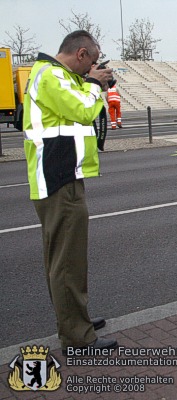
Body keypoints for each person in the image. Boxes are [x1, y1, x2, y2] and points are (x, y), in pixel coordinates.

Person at [23, 30, 118, 354]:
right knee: (67, 263)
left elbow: (77, 103)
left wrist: (93, 80)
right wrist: (94, 84)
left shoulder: (57, 75)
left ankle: (77, 321)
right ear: (80, 55)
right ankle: (77, 337)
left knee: (66, 261)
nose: (91, 68)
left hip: (61, 177)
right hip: (58, 180)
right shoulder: (50, 76)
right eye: (90, 61)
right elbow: (82, 110)